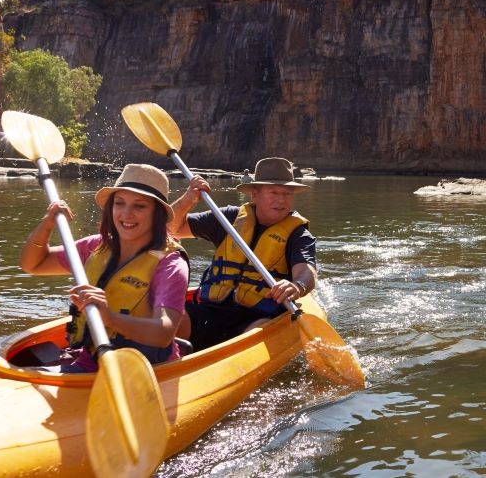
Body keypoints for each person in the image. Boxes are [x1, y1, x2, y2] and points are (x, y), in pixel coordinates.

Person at [18, 164, 190, 372]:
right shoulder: (96, 246)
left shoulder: (170, 263)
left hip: (143, 367)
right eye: (119, 203)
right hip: (95, 358)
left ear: (157, 213)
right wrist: (46, 225)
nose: (127, 214)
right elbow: (32, 264)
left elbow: (164, 333)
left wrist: (109, 317)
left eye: (140, 206)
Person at [169, 157, 317, 351]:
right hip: (210, 309)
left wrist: (296, 286)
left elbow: (307, 271)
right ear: (254, 195)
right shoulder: (228, 218)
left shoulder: (298, 234)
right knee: (170, 318)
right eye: (274, 192)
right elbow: (172, 228)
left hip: (255, 317)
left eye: (287, 193)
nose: (281, 200)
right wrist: (188, 200)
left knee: (255, 333)